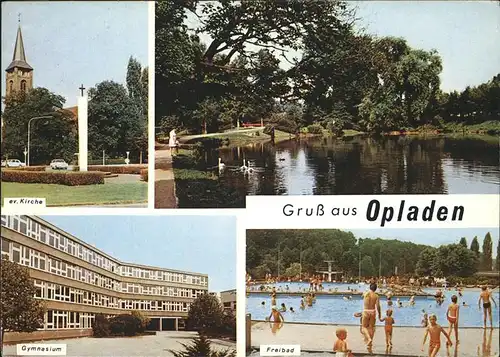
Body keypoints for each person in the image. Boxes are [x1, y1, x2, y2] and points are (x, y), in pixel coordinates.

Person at [362, 283, 382, 351]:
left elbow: (364, 298)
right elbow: (378, 306)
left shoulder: (366, 294)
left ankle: (369, 339)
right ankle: (370, 344)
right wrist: (379, 315)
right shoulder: (376, 296)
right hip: (373, 311)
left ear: (370, 288)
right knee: (371, 328)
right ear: (376, 289)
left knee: (364, 327)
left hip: (366, 311)